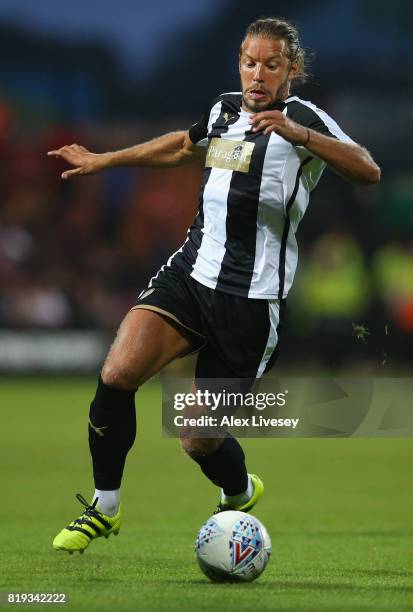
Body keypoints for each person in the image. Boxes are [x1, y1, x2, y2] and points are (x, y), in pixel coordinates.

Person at [49, 17, 380, 554]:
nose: (258, 74)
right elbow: (183, 148)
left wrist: (303, 137)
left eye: (271, 64)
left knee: (196, 437)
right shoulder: (224, 110)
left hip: (250, 301)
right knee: (117, 374)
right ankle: (104, 507)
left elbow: (368, 170)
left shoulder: (304, 120)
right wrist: (102, 160)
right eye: (250, 62)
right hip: (191, 273)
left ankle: (240, 489)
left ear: (291, 70)